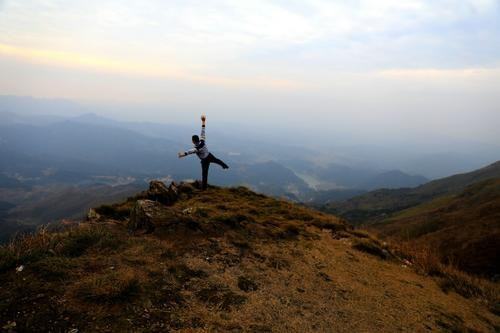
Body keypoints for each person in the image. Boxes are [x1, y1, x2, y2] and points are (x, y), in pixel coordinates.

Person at [178, 115, 229, 190]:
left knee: (204, 174)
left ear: (193, 141)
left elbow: (190, 151)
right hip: (209, 155)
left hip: (204, 160)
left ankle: (204, 189)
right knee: (217, 160)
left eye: (192, 140)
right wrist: (203, 121)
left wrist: (182, 154)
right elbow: (203, 131)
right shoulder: (202, 140)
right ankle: (225, 166)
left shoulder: (197, 148)